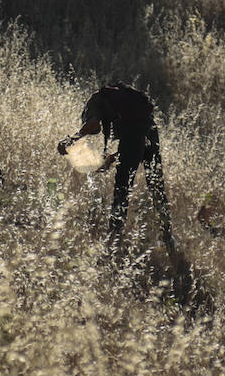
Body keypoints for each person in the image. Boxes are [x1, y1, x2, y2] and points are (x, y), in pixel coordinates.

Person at [57, 82, 175, 252]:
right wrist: (111, 160)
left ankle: (113, 244)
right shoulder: (118, 102)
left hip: (136, 132)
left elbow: (92, 125)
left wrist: (71, 141)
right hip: (149, 128)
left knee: (122, 190)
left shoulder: (94, 103)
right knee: (156, 187)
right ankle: (168, 237)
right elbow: (133, 142)